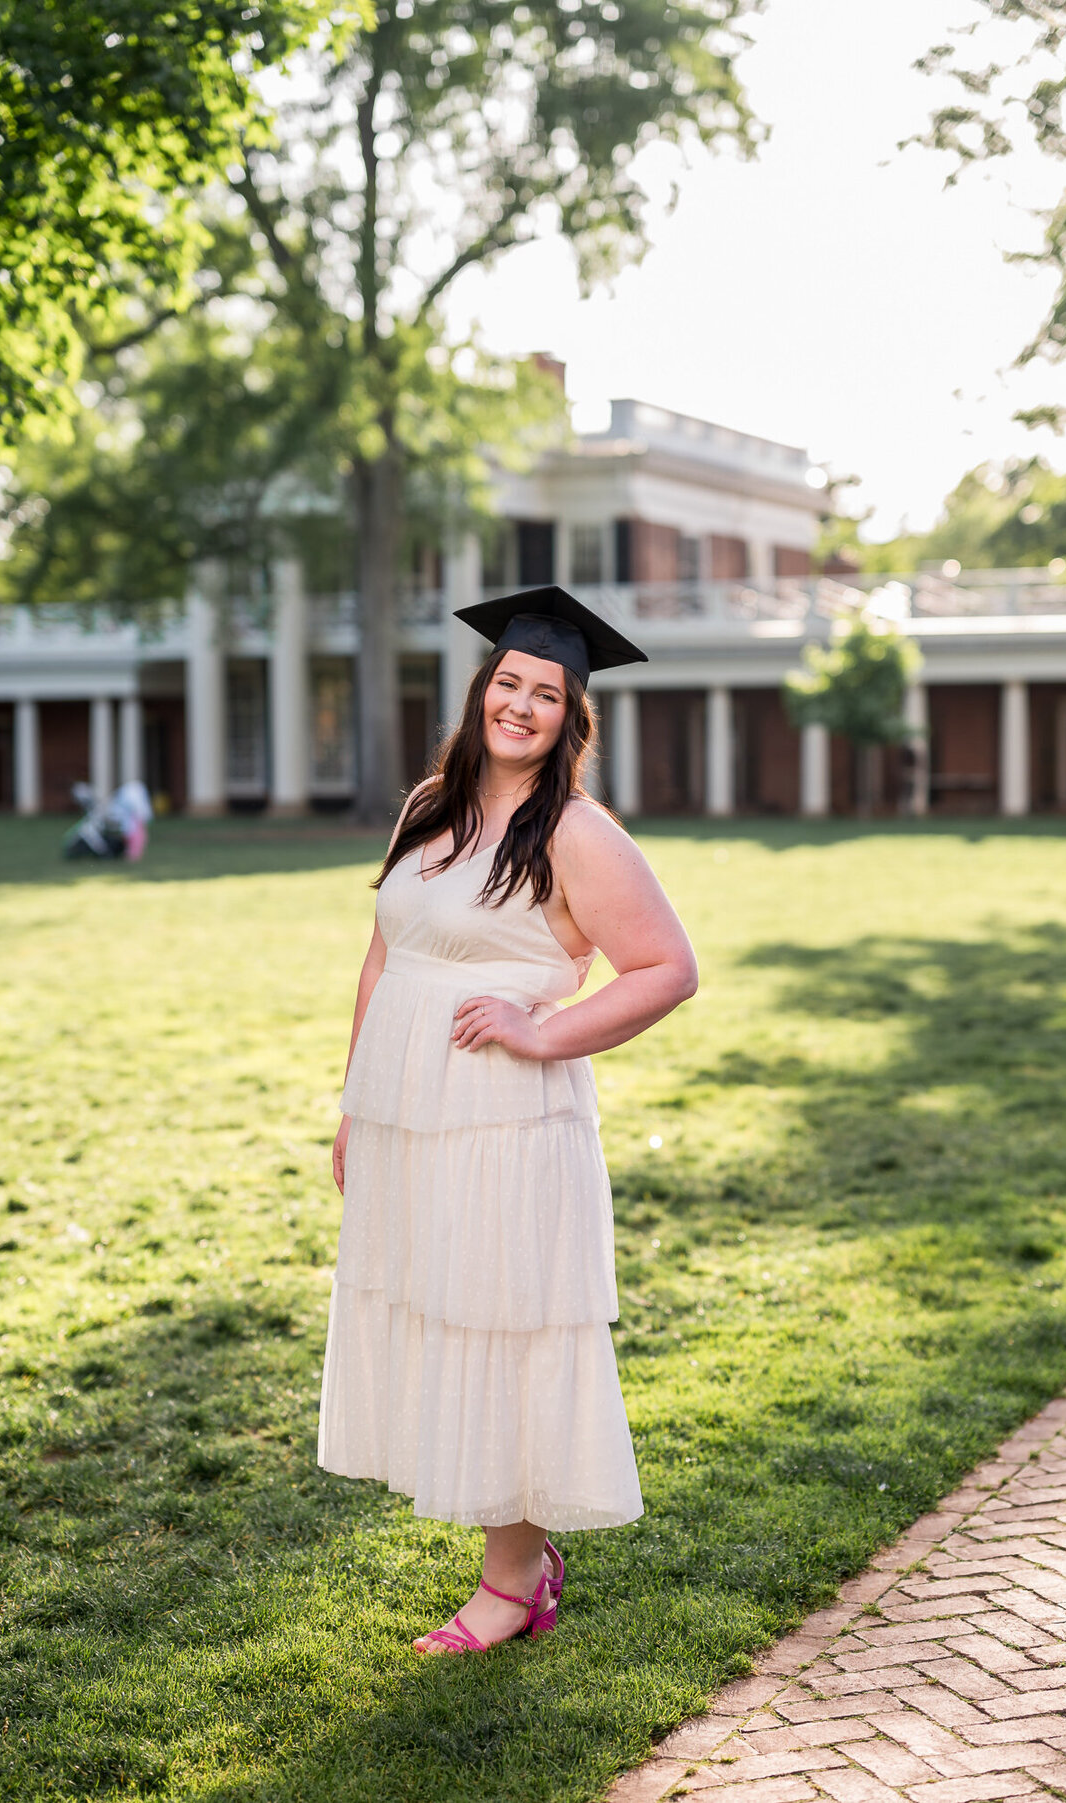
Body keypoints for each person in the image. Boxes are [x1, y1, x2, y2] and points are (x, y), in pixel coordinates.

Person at [317, 585, 698, 1655]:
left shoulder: (577, 833)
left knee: (505, 1333)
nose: (520, 706)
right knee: (443, 1317)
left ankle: (513, 1584)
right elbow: (386, 952)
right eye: (507, 684)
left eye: (545, 694)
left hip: (508, 1125)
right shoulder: (430, 806)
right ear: (481, 689)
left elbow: (668, 970)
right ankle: (514, 1561)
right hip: (410, 1117)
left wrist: (544, 1033)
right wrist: (358, 1106)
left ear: (570, 717)